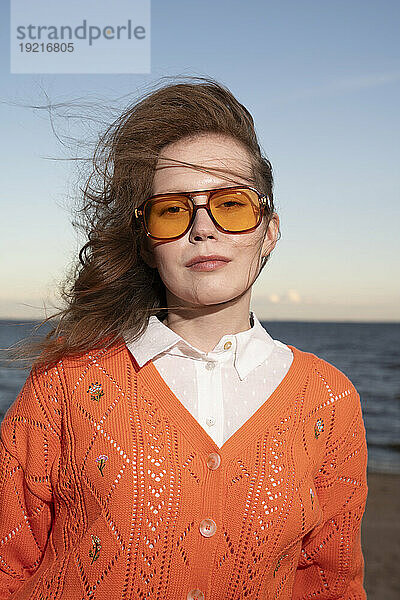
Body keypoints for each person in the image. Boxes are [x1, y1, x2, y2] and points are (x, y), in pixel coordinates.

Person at [0, 76, 368, 599]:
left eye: (232, 204)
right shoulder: (64, 385)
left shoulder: (330, 401)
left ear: (270, 230)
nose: (203, 228)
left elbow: (331, 584)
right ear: (149, 244)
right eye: (173, 209)